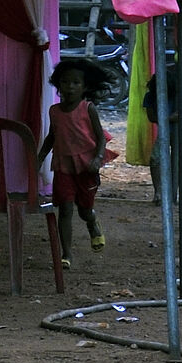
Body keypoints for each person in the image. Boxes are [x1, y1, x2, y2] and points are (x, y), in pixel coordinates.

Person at [41, 56, 116, 254]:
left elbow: (100, 138)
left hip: (86, 166)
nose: (70, 87)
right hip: (63, 166)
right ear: (58, 84)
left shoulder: (88, 109)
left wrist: (97, 159)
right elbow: (52, 137)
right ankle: (66, 254)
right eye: (65, 82)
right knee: (65, 209)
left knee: (84, 210)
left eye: (76, 83)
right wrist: (38, 158)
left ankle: (92, 223)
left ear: (84, 87)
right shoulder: (54, 111)